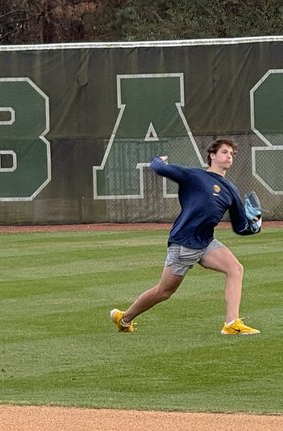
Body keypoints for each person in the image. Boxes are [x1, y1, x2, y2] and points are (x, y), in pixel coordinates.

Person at [110, 138, 261, 336]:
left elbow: (241, 227)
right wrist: (158, 159)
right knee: (164, 291)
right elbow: (160, 168)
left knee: (235, 268)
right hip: (184, 242)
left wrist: (255, 223)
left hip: (206, 242)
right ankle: (124, 318)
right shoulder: (194, 176)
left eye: (232, 154)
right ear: (212, 156)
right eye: (224, 152)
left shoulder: (231, 189)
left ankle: (232, 323)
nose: (229, 156)